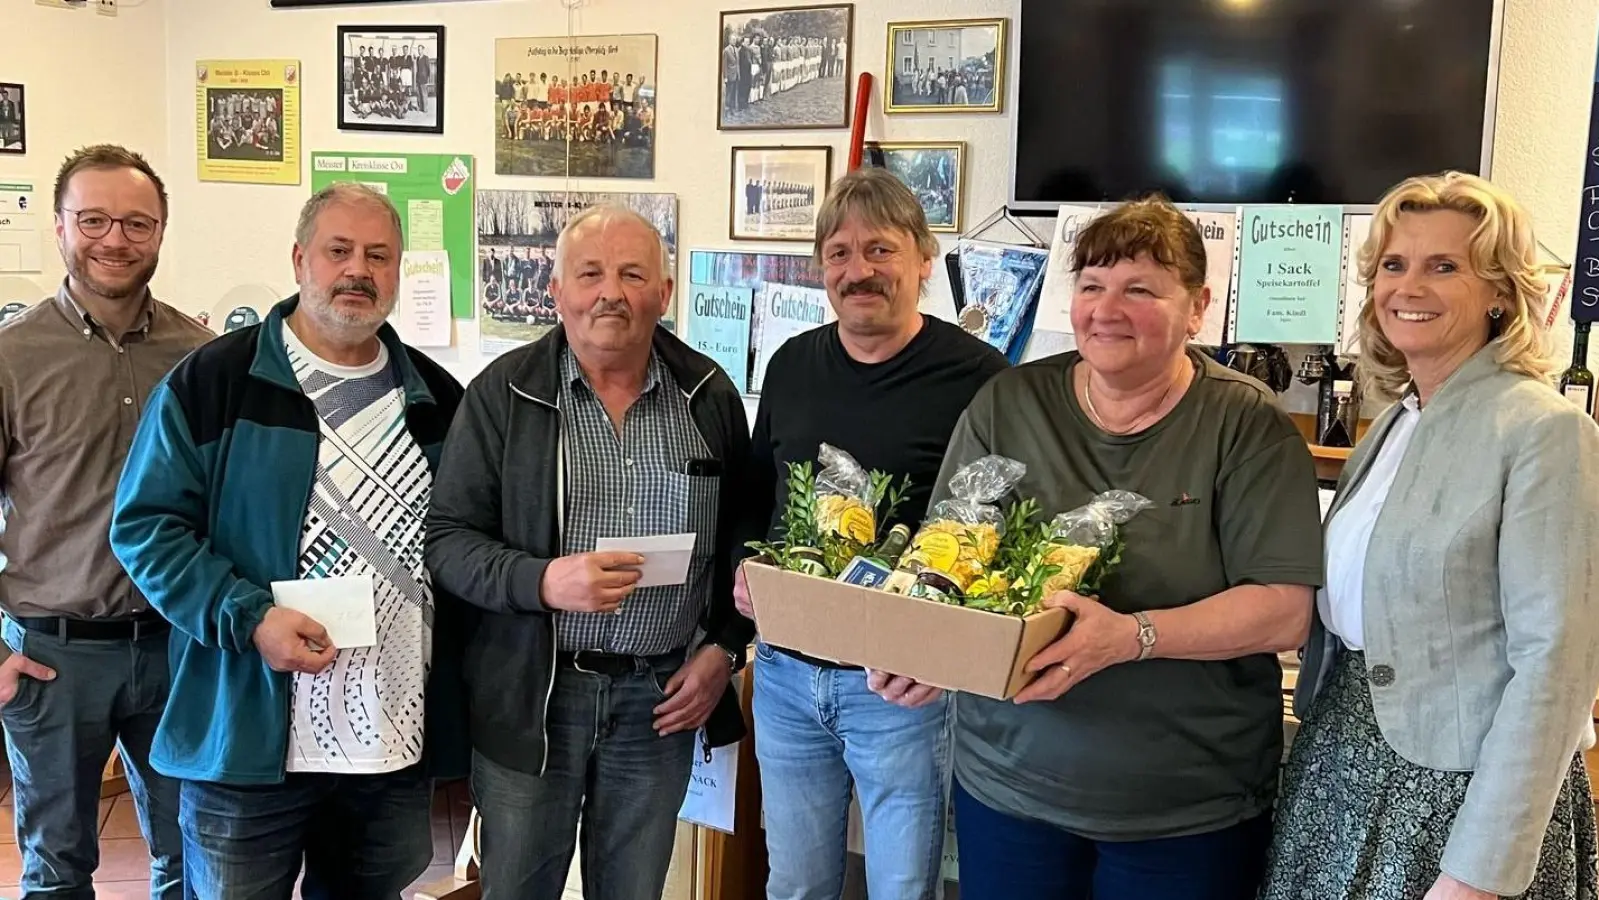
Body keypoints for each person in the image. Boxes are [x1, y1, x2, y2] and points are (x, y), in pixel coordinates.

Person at [937, 195, 1323, 900]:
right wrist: (924, 650)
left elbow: (1281, 612)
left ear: (1198, 307)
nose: (1105, 309)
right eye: (1091, 285)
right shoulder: (1007, 405)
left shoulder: (1245, 426)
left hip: (1182, 814)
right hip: (1009, 788)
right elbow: (947, 559)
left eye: (1139, 289)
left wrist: (1130, 637)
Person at [109, 183, 471, 898]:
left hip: (390, 746)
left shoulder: (436, 398)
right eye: (338, 251)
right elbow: (145, 529)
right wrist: (249, 619)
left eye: (378, 255)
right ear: (300, 258)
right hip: (248, 734)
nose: (357, 270)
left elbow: (462, 546)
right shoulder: (213, 382)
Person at [1261, 173, 1599, 900]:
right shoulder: (1392, 420)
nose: (1407, 286)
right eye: (1393, 265)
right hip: (1344, 758)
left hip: (1457, 794)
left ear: (1499, 292)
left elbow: (1557, 667)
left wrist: (1477, 874)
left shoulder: (1544, 430)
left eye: (1443, 266)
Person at [425, 205, 754, 900]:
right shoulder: (502, 395)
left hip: (659, 698)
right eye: (591, 273)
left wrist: (723, 651)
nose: (611, 292)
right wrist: (542, 581)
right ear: (556, 292)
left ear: (663, 294)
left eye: (633, 274)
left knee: (632, 890)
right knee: (517, 887)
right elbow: (448, 544)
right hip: (533, 696)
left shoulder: (709, 397)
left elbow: (745, 549)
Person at [733, 167, 1008, 900]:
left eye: (880, 250)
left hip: (901, 687)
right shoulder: (792, 363)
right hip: (785, 678)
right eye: (840, 253)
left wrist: (945, 652)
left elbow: (996, 533)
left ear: (923, 260)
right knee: (793, 885)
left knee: (901, 888)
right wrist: (742, 565)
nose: (859, 271)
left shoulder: (979, 379)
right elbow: (758, 490)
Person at [0, 144, 210, 900]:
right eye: (93, 220)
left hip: (176, 651)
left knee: (191, 858)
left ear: (160, 231)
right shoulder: (12, 357)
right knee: (56, 870)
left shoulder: (201, 357)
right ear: (59, 227)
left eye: (135, 222)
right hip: (54, 660)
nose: (114, 239)